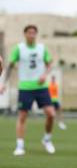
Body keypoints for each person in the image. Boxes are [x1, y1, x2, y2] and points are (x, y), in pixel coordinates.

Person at [0, 25, 56, 156]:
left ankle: (47, 139)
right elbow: (10, 67)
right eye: (29, 32)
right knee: (22, 116)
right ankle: (20, 146)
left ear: (36, 34)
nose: (31, 35)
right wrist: (4, 84)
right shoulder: (19, 48)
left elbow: (49, 65)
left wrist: (45, 74)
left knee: (51, 114)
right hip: (25, 87)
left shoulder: (42, 48)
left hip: (41, 87)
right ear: (25, 34)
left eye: (34, 33)